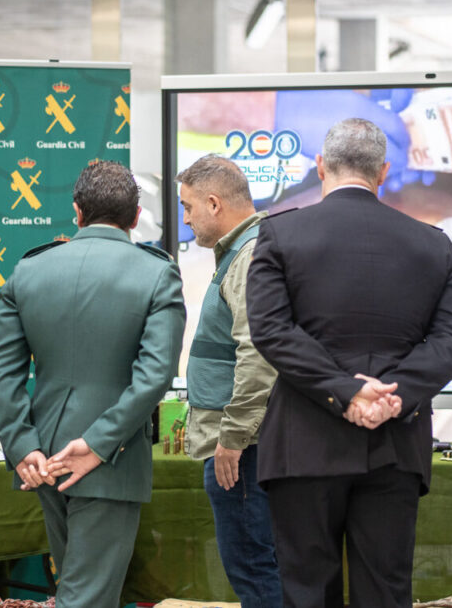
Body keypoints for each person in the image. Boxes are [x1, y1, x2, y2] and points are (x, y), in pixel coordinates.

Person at [246, 118, 452, 608]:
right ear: (385, 171)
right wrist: (394, 395)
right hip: (396, 444)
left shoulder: (280, 235)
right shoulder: (433, 243)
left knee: (307, 592)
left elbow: (270, 330)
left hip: (302, 446)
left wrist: (344, 389)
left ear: (321, 166)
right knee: (385, 593)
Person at [0, 161, 185, 608]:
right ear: (135, 218)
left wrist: (22, 445)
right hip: (110, 457)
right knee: (87, 598)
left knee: (77, 588)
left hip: (46, 455)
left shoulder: (29, 269)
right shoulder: (157, 272)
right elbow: (156, 375)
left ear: (77, 212)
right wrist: (97, 443)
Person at [177, 155, 283, 608]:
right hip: (251, 441)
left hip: (244, 446)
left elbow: (257, 355)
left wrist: (233, 436)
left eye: (188, 207)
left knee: (253, 566)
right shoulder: (247, 251)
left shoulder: (247, 257)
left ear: (214, 203)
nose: (186, 219)